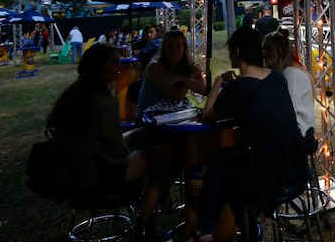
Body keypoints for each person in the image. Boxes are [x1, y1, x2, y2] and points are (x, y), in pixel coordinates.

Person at [46, 44, 170, 240]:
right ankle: (145, 223)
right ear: (99, 66)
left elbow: (94, 139)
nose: (119, 65)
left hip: (71, 173)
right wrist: (131, 143)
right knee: (161, 162)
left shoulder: (72, 96)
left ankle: (154, 205)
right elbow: (119, 153)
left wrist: (130, 136)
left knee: (141, 137)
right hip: (97, 176)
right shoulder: (106, 103)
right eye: (113, 61)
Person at [195, 27, 306, 242]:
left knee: (219, 164)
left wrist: (218, 82)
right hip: (292, 168)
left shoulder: (239, 89)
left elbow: (207, 115)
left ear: (236, 52)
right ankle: (246, 231)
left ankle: (205, 229)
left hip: (264, 178)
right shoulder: (276, 78)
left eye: (229, 52)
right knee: (229, 173)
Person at [135, 28, 206, 121]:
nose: (174, 50)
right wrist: (188, 77)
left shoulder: (187, 64)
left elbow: (203, 89)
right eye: (169, 47)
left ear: (184, 48)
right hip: (149, 117)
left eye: (178, 46)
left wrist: (183, 79)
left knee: (206, 116)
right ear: (163, 49)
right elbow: (177, 95)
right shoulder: (154, 67)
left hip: (173, 113)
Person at [263, 28, 315, 136]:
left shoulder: (293, 75)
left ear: (280, 51)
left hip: (298, 136)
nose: (264, 53)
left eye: (269, 49)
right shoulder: (282, 73)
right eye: (263, 49)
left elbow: (286, 112)